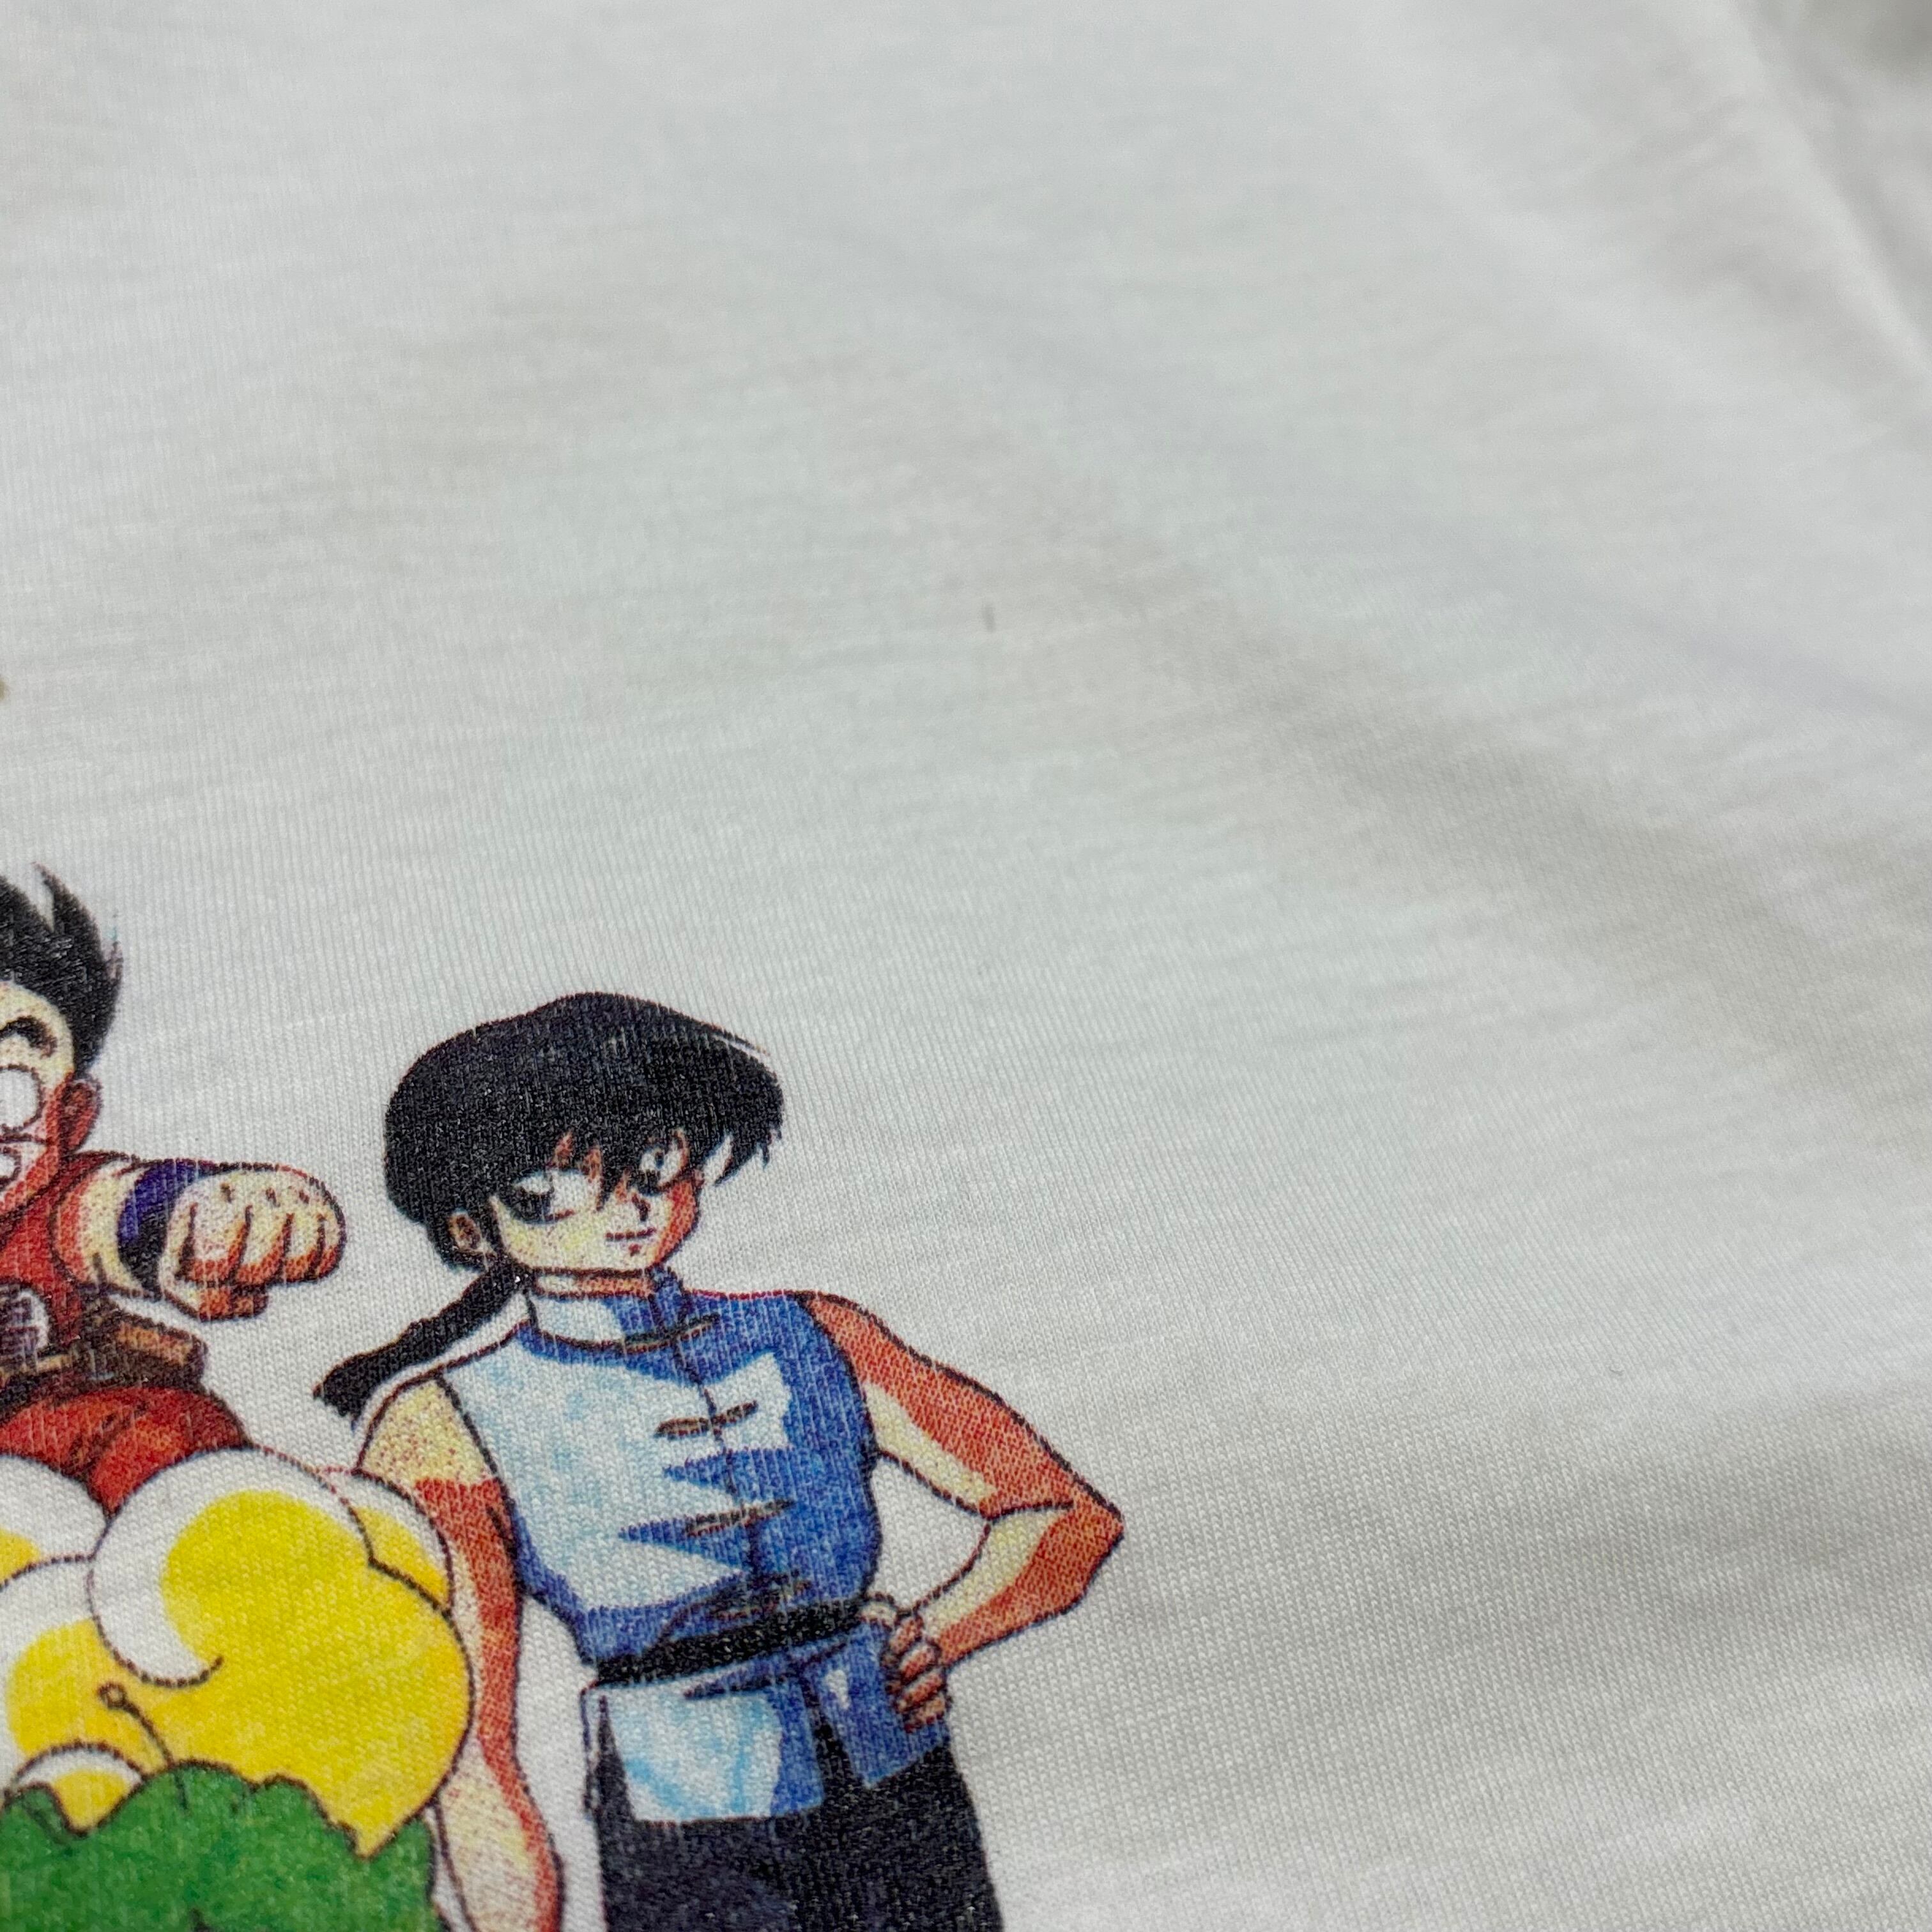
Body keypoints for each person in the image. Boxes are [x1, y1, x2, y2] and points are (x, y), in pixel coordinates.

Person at [341, 993, 1122, 1932]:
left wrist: (940, 1634)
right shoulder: (442, 1422)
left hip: (899, 1784)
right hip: (684, 1824)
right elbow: (469, 1739)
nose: (627, 1206)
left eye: (654, 1164)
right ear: (472, 1231)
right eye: (549, 1191)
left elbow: (1064, 1516)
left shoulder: (816, 1334)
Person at [0, 870, 344, 1510]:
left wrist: (204, 1218)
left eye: (8, 1090)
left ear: (70, 1117)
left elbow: (112, 1213)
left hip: (46, 1434)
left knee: (163, 1433)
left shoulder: (46, 1208)